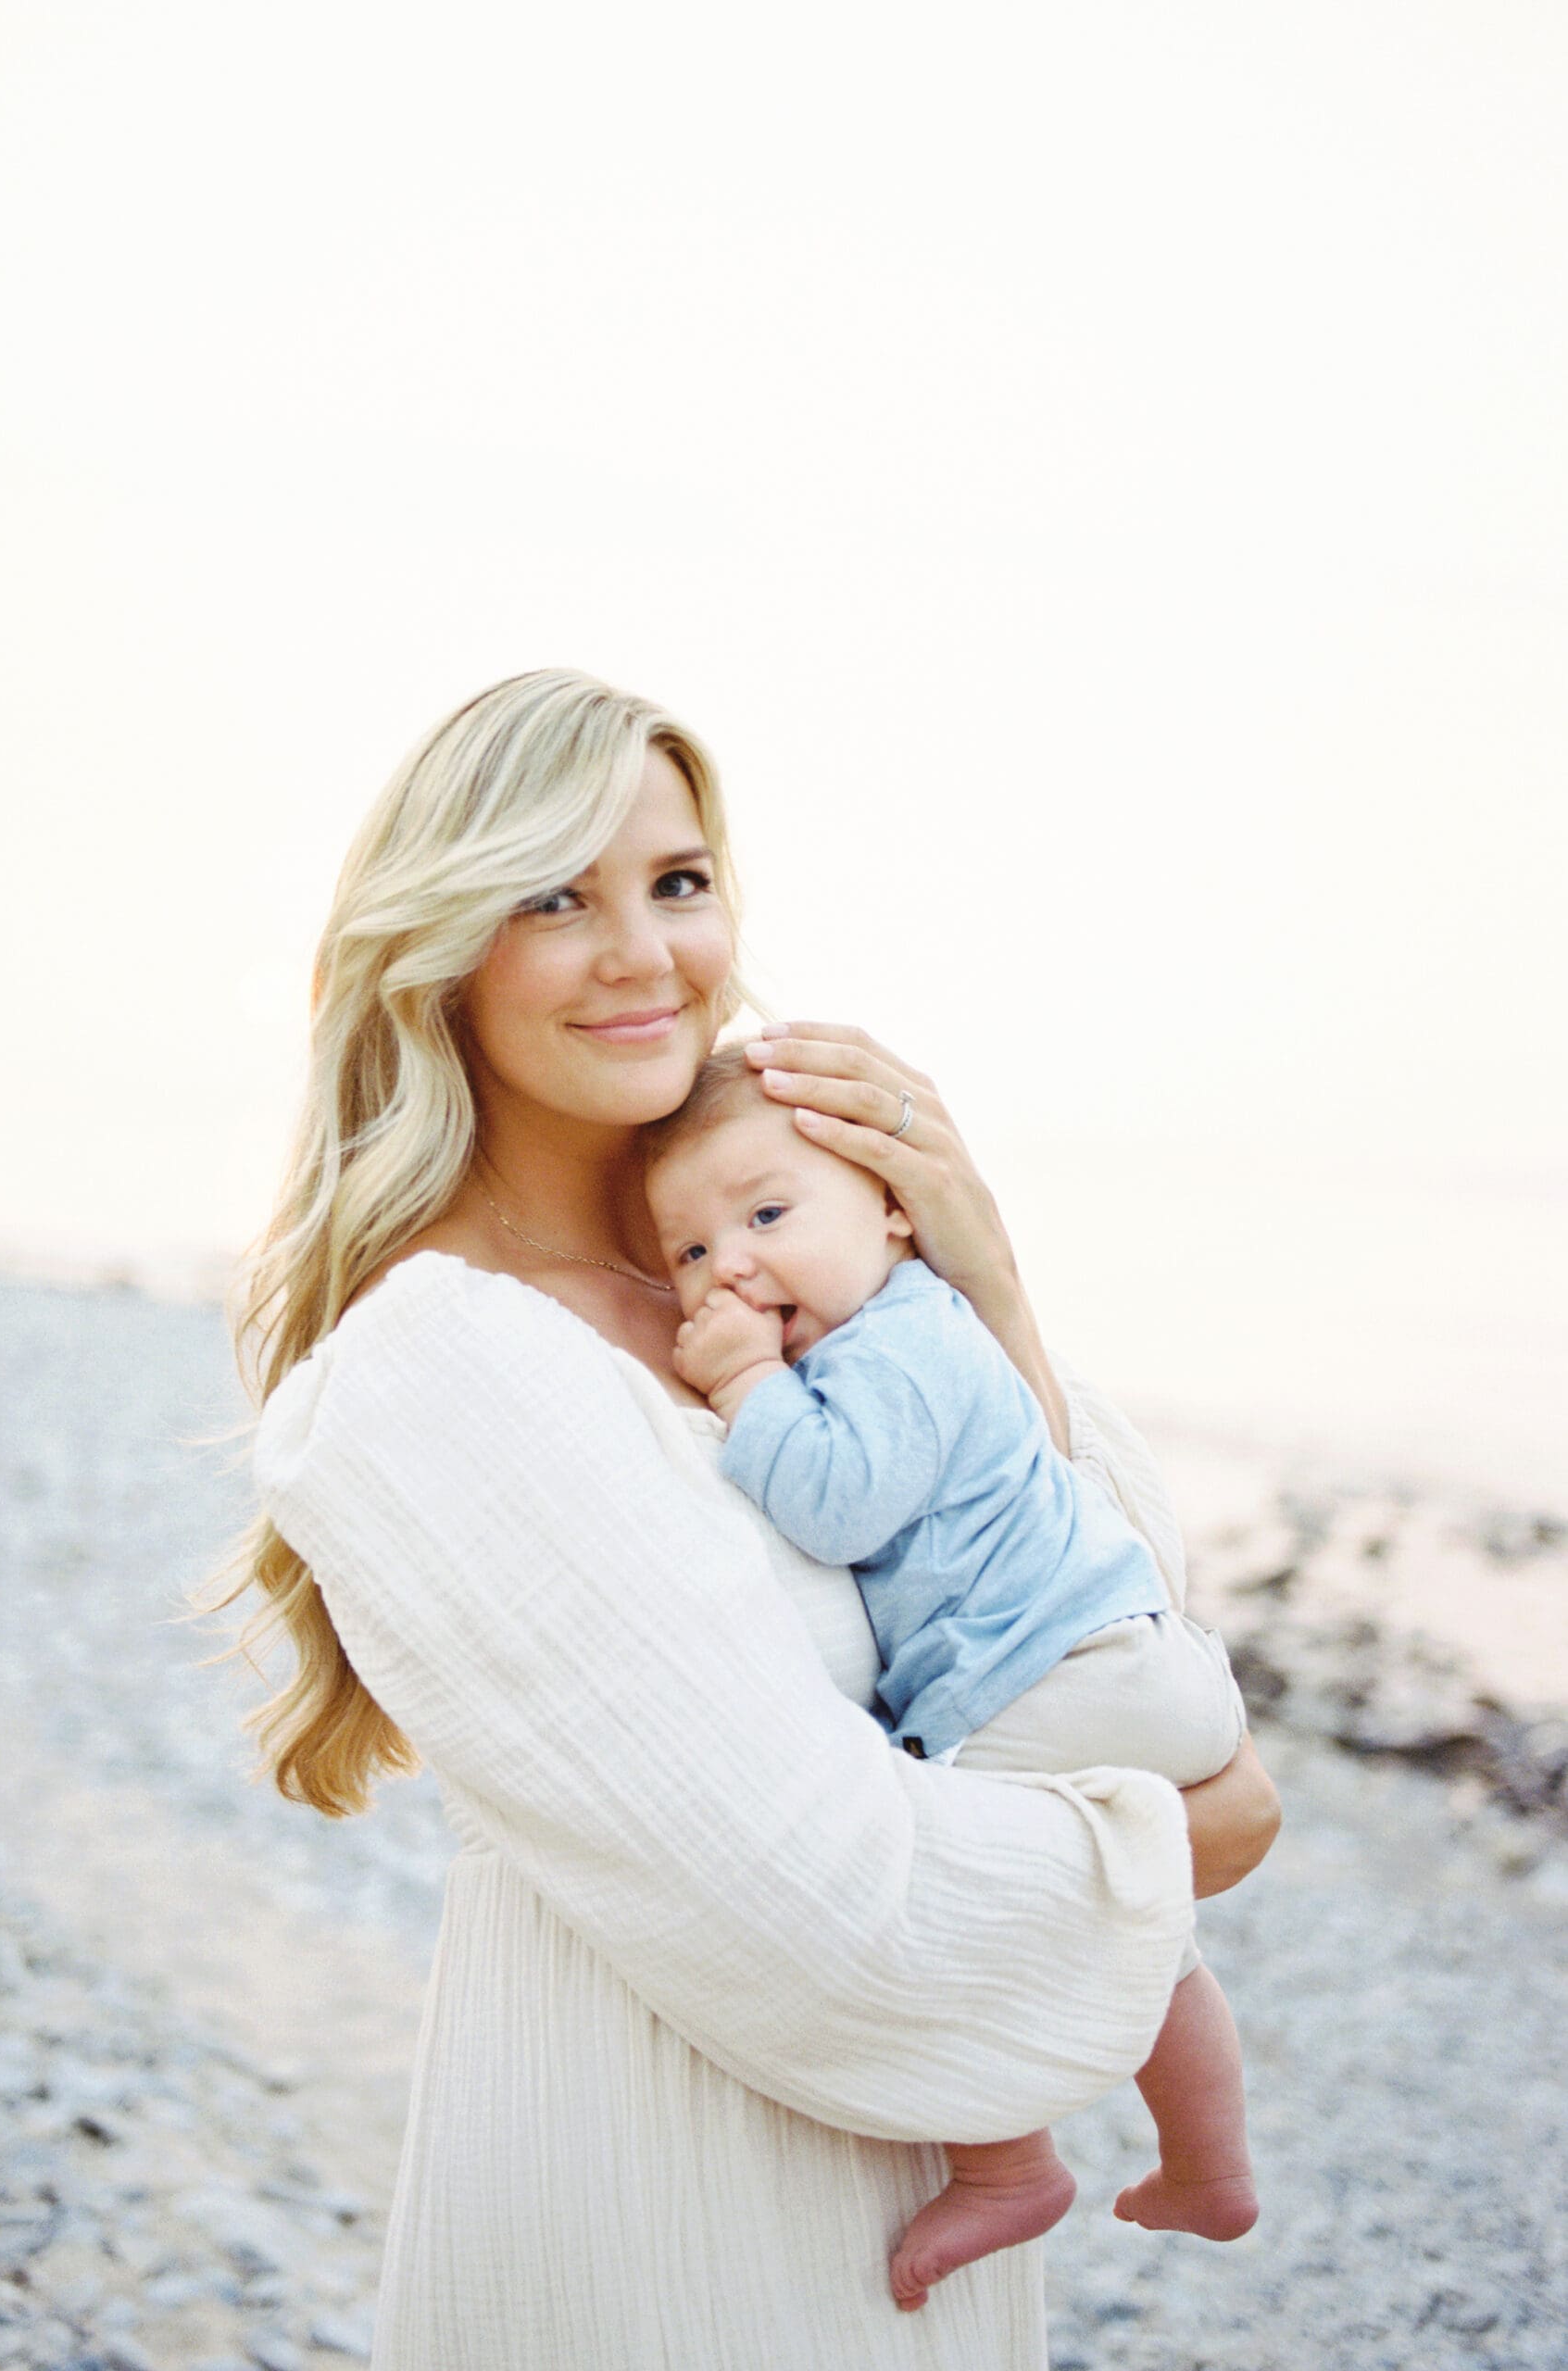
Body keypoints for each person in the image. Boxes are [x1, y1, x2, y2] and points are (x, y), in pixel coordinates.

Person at [213, 667, 1282, 2370]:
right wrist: (1191, 1836)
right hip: (666, 2214)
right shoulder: (439, 1361)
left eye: (678, 882)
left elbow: (1107, 1589)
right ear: (436, 951)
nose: (645, 953)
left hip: (911, 2187)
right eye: (554, 897)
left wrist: (982, 1266)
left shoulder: (770, 1266)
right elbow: (827, 1910)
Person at [640, 1049, 1261, 2313]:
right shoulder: (919, 1327)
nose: (734, 1266)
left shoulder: (895, 1339)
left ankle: (1006, 2162)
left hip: (1049, 1676)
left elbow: (841, 1504)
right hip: (1131, 1665)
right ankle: (1210, 2168)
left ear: (892, 1210)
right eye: (692, 1253)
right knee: (1151, 1937)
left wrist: (748, 1383)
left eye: (766, 1217)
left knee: (933, 1883)